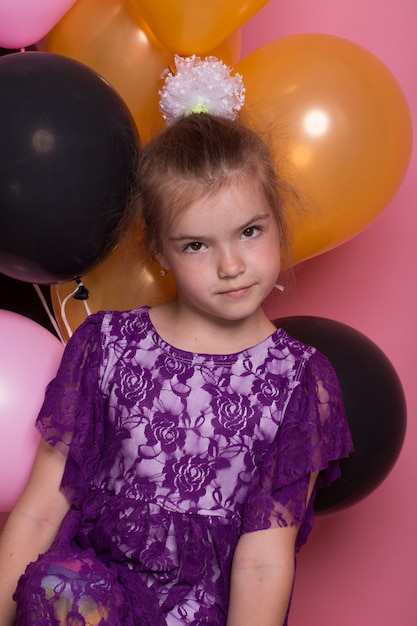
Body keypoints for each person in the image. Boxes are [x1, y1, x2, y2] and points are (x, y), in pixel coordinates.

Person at [0, 55, 353, 625]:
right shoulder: (107, 346)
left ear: (278, 221)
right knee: (58, 583)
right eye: (196, 246)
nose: (231, 265)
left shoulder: (299, 381)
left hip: (200, 615)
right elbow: (40, 513)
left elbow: (265, 560)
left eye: (249, 231)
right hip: (89, 604)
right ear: (160, 251)